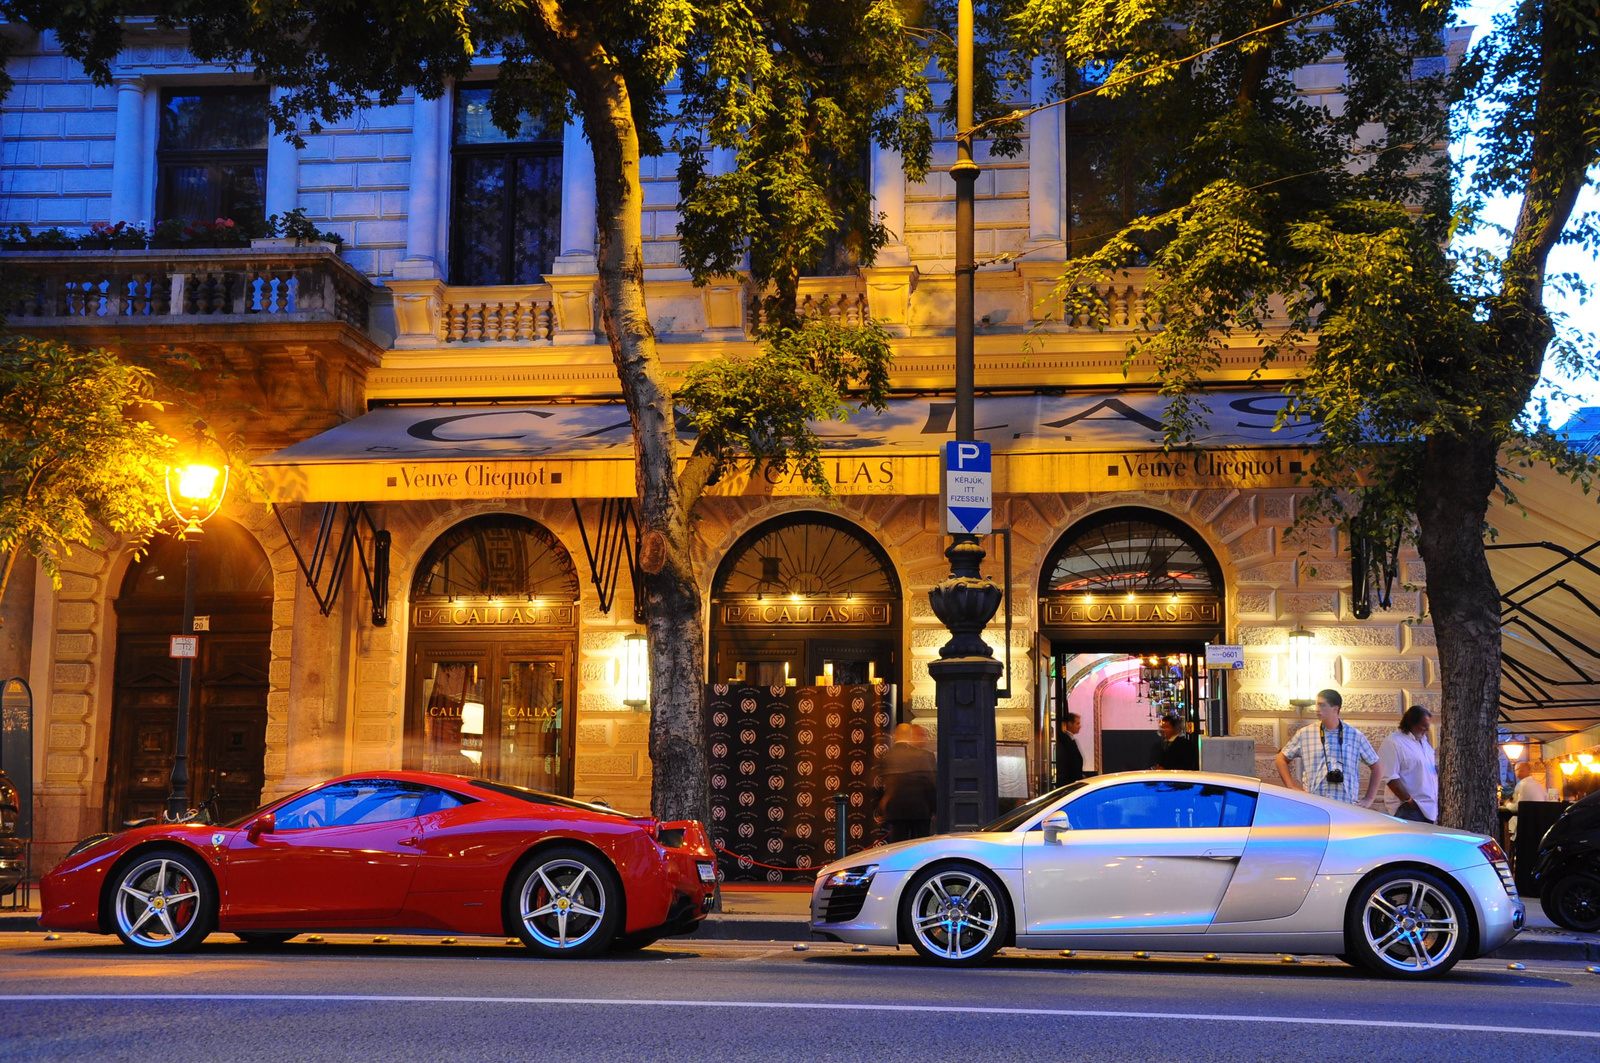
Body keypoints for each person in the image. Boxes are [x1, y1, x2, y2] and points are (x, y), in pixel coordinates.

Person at [1275, 688, 1382, 806]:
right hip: (1314, 805)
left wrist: (1369, 798)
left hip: (1346, 805)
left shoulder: (1355, 736)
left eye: (1322, 705)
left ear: (1335, 709)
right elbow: (1281, 759)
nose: (1317, 709)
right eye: (1317, 705)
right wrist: (1292, 788)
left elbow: (1377, 767)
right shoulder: (1305, 734)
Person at [876, 722, 936, 842]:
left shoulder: (888, 756)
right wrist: (934, 808)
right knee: (920, 847)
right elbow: (930, 783)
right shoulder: (922, 755)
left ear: (894, 735)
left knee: (898, 847)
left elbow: (879, 784)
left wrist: (879, 809)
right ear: (910, 735)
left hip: (896, 811)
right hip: (921, 811)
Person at [1376, 705, 1438, 822]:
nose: (1427, 729)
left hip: (1429, 810)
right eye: (1424, 726)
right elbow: (1390, 777)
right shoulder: (1393, 742)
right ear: (1412, 724)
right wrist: (1408, 801)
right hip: (1409, 810)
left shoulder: (1424, 743)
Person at [1506, 761, 1549, 843]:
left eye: (1519, 769)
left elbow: (1517, 808)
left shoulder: (1522, 784)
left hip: (1526, 825)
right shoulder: (1539, 785)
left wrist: (1507, 804)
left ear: (1528, 771)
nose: (1517, 772)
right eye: (1516, 770)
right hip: (1540, 824)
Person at [1056, 712, 1085, 784]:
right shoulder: (1065, 740)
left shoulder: (1069, 740)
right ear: (1070, 724)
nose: (1080, 726)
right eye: (1077, 724)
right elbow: (1071, 763)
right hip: (1068, 782)